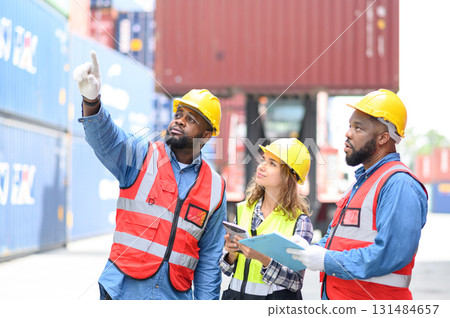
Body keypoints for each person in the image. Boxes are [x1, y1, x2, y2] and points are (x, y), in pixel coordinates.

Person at [73, 51, 227, 300]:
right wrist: (92, 101)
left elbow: (210, 258)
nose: (179, 121)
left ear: (207, 135)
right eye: (178, 115)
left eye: (190, 119)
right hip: (124, 293)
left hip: (173, 299)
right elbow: (108, 140)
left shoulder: (216, 188)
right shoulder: (141, 154)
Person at [287, 89, 428, 300]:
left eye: (358, 127)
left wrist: (327, 260)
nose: (348, 133)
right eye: (349, 126)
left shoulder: (399, 184)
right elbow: (341, 239)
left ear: (382, 138)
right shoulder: (363, 182)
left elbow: (389, 254)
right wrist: (311, 248)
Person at [220, 138, 314, 300]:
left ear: (289, 176)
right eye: (264, 160)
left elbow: (295, 281)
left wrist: (262, 258)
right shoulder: (243, 209)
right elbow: (226, 269)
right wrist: (232, 252)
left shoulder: (299, 222)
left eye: (272, 163)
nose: (261, 166)